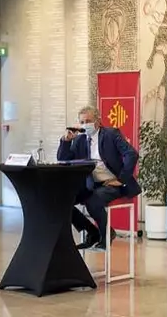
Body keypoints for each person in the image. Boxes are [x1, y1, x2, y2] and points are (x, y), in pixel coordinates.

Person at [57, 106, 141, 250]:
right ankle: (92, 231)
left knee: (93, 200)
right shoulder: (79, 140)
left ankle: (106, 234)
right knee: (62, 200)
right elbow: (63, 160)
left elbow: (131, 154)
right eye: (82, 122)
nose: (85, 125)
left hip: (113, 184)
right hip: (91, 184)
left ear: (98, 121)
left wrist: (121, 179)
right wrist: (66, 140)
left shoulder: (111, 134)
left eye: (88, 121)